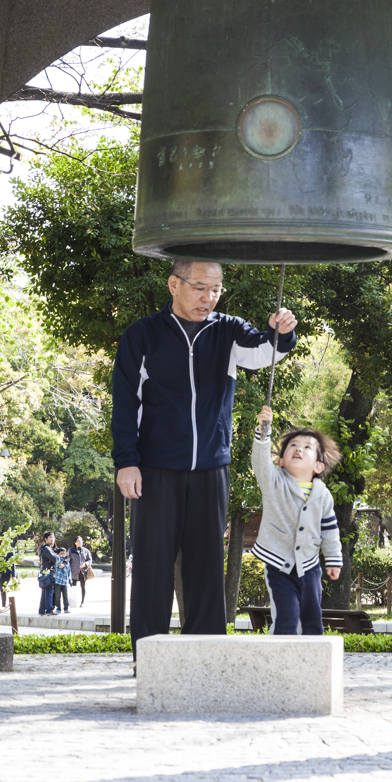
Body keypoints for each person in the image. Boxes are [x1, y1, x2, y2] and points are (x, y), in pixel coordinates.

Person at [111, 259, 297, 654]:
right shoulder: (142, 335)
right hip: (154, 469)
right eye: (200, 288)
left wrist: (282, 330)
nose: (208, 298)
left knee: (207, 569)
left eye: (215, 290)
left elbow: (266, 352)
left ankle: (207, 657)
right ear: (174, 284)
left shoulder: (228, 330)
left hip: (212, 468)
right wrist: (126, 460)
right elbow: (124, 403)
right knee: (152, 568)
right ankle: (149, 657)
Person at [251, 405, 343, 635]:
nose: (298, 449)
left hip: (310, 566)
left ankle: (313, 663)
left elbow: (330, 530)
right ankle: (280, 662)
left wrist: (333, 559)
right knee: (287, 616)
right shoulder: (274, 481)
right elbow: (260, 463)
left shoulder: (323, 495)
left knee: (312, 617)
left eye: (307, 447)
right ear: (280, 461)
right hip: (278, 562)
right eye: (292, 446)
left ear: (318, 466)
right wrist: (264, 431)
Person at [38, 531, 58, 616]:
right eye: (50, 538)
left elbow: (53, 558)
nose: (52, 539)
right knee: (49, 590)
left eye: (53, 537)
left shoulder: (46, 548)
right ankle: (49, 610)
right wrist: (56, 556)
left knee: (45, 590)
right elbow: (55, 559)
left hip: (45, 571)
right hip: (48, 572)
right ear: (45, 539)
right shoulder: (46, 548)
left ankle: (42, 610)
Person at [69, 536, 92, 607]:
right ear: (75, 542)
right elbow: (67, 560)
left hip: (83, 572)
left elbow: (90, 560)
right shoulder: (70, 551)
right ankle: (73, 602)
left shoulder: (85, 551)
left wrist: (85, 564)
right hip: (74, 572)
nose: (80, 542)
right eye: (78, 541)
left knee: (83, 586)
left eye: (81, 541)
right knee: (73, 587)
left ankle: (82, 602)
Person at [53, 548, 72, 614]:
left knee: (65, 596)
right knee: (57, 596)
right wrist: (62, 557)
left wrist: (70, 580)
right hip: (57, 581)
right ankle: (58, 608)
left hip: (65, 582)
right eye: (61, 553)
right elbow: (58, 564)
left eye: (64, 553)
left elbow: (69, 572)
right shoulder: (57, 561)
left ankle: (66, 608)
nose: (63, 555)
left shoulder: (67, 562)